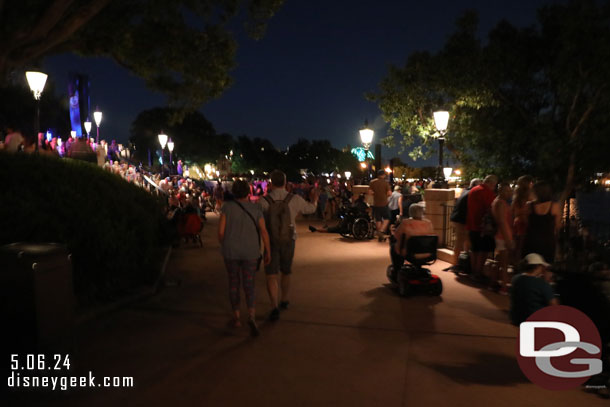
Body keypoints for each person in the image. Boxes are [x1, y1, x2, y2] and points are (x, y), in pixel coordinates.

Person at [259, 170, 318, 321]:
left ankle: (274, 306)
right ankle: (284, 299)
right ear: (285, 183)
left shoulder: (264, 201)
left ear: (270, 183)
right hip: (289, 239)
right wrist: (315, 200)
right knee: (286, 271)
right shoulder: (294, 199)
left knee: (271, 274)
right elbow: (310, 209)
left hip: (270, 241)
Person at [218, 180, 271, 336]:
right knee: (249, 284)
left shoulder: (226, 207)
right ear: (248, 192)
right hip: (251, 252)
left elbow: (221, 232)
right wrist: (268, 251)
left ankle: (237, 317)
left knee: (234, 283)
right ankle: (252, 316)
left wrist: (225, 243)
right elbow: (263, 231)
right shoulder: (256, 208)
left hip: (231, 252)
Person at [509, 253, 558, 325]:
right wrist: (547, 282)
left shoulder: (515, 279)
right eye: (542, 266)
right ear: (538, 266)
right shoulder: (541, 283)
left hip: (516, 319)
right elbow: (554, 305)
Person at [466, 175, 498, 279]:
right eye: (494, 185)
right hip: (482, 227)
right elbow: (491, 209)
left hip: (471, 224)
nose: (494, 188)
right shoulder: (487, 193)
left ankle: (473, 271)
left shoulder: (474, 189)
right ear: (491, 184)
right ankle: (478, 273)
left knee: (474, 250)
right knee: (483, 251)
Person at [522, 181, 562, 264]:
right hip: (547, 241)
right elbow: (558, 226)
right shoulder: (555, 206)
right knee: (546, 265)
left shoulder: (529, 205)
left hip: (531, 240)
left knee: (530, 266)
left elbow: (525, 222)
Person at [390, 203, 434, 272]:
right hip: (428, 253)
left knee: (393, 248)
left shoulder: (406, 223)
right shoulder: (428, 223)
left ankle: (397, 269)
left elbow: (396, 235)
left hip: (410, 253)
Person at [448, 178, 482, 267]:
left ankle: (461, 262)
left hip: (458, 218)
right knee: (461, 242)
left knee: (464, 241)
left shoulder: (465, 191)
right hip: (462, 220)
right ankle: (456, 263)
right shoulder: (472, 193)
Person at [491, 182, 514, 294]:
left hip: (501, 235)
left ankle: (493, 283)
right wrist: (508, 239)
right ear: (501, 191)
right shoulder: (500, 203)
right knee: (504, 263)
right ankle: (504, 287)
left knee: (498, 261)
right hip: (503, 236)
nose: (510, 193)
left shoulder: (497, 201)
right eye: (508, 191)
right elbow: (502, 221)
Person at [512, 175, 534, 260]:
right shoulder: (530, 195)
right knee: (523, 245)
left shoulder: (516, 195)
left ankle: (516, 262)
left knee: (518, 244)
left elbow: (513, 210)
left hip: (517, 221)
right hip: (525, 221)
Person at [368, 170, 392, 241]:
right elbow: (389, 193)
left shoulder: (372, 182)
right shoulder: (385, 183)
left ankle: (379, 234)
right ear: (383, 175)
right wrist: (385, 196)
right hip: (384, 203)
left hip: (376, 203)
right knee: (387, 217)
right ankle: (381, 230)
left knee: (378, 219)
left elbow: (369, 192)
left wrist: (375, 194)